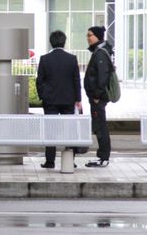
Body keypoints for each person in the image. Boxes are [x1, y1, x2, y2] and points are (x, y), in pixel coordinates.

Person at [35, 30, 81, 169]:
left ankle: (50, 161)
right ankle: (69, 160)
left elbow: (39, 81)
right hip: (68, 99)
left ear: (51, 42)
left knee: (51, 130)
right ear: (64, 42)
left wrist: (43, 95)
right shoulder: (72, 59)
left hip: (50, 100)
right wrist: (77, 99)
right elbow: (76, 81)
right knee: (70, 130)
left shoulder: (44, 59)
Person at [84, 25, 113, 168]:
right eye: (87, 35)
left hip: (98, 98)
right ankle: (103, 156)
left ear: (97, 36)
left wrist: (96, 95)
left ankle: (103, 157)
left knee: (100, 126)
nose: (88, 38)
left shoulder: (100, 53)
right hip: (97, 97)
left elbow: (102, 77)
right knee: (99, 125)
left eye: (90, 35)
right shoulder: (99, 51)